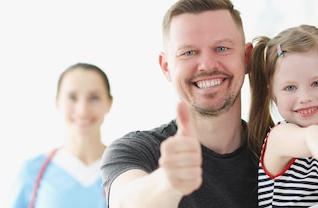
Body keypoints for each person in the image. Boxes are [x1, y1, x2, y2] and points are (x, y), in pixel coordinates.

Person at [99, 0, 258, 207]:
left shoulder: (281, 150)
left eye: (221, 48)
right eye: (189, 52)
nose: (207, 64)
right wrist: (167, 182)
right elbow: (124, 201)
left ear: (246, 57)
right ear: (166, 67)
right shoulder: (137, 151)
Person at [248, 25, 318, 208]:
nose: (305, 98)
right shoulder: (279, 138)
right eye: (290, 88)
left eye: (317, 83)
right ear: (273, 94)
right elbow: (309, 137)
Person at [9, 62, 113, 208]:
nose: (82, 110)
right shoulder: (31, 172)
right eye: (72, 97)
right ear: (58, 103)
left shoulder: (126, 169)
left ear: (109, 103)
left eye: (94, 98)